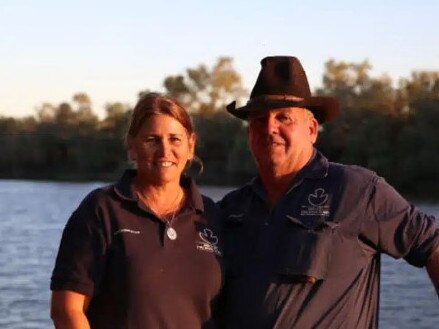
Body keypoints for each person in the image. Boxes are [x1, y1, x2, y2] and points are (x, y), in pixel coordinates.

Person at [219, 56, 439, 328]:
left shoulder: (355, 190)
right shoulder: (231, 210)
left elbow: (433, 247)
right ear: (249, 133)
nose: (269, 128)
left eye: (283, 117)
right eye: (259, 119)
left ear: (311, 130)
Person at [50, 93, 224, 329]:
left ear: (190, 146)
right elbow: (67, 310)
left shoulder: (212, 216)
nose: (165, 151)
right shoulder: (101, 210)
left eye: (175, 139)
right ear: (132, 147)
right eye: (152, 139)